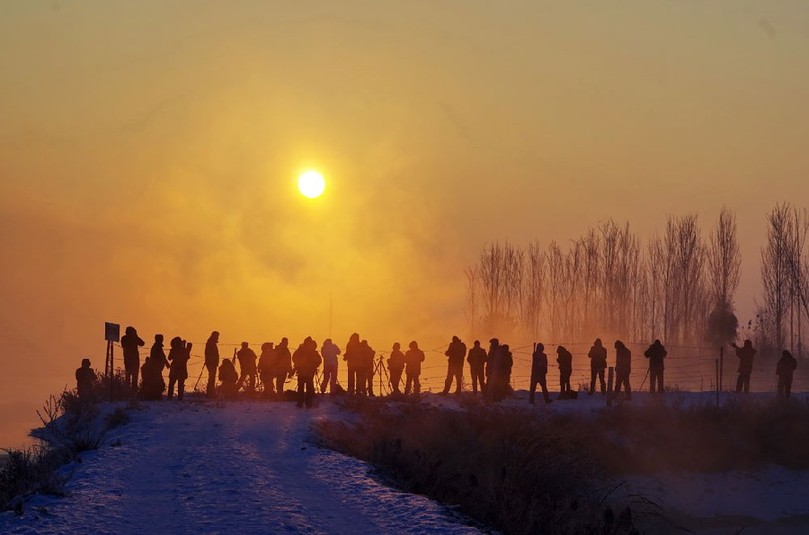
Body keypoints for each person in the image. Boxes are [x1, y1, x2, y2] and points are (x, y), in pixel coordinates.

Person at [293, 337, 322, 408]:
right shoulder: (312, 351)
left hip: (302, 372)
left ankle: (300, 403)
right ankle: (308, 403)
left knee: (301, 388)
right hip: (309, 372)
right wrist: (315, 365)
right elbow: (319, 360)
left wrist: (297, 365)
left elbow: (294, 357)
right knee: (309, 388)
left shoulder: (300, 350)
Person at [120, 326, 145, 391]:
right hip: (133, 360)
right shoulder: (133, 338)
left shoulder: (124, 338)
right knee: (133, 376)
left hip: (128, 359)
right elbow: (142, 343)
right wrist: (135, 337)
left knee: (130, 376)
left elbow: (142, 343)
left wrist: (135, 337)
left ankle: (129, 391)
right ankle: (132, 391)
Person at [204, 331, 220, 398]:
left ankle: (210, 392)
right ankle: (210, 393)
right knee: (211, 378)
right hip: (211, 363)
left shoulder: (211, 342)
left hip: (212, 362)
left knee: (212, 377)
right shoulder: (211, 343)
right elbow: (210, 353)